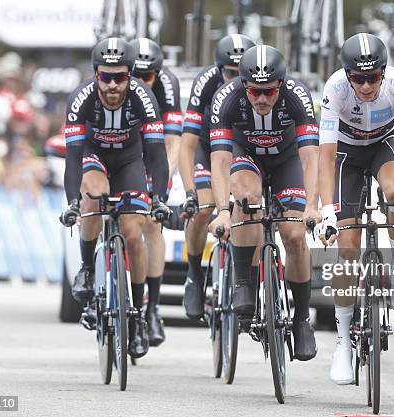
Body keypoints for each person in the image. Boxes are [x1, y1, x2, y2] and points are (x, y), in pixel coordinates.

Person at [315, 33, 394, 384]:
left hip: (384, 143)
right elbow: (324, 157)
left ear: (384, 71)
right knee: (347, 249)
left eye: (373, 77)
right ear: (347, 75)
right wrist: (326, 213)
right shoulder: (335, 89)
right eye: (358, 78)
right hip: (346, 156)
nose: (365, 85)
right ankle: (342, 344)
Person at [59, 37, 170, 359]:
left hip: (129, 161)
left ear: (130, 75)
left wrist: (159, 198)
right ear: (96, 75)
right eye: (105, 77)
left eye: (119, 77)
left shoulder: (144, 98)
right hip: (93, 157)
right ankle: (87, 268)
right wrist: (72, 203)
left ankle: (136, 313)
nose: (111, 85)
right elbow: (73, 157)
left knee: (135, 234)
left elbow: (157, 154)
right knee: (93, 195)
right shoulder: (80, 99)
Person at [207, 45, 320, 361]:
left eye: (269, 92)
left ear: (280, 85)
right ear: (244, 85)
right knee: (246, 195)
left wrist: (312, 205)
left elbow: (311, 158)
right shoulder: (227, 99)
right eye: (255, 91)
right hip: (247, 157)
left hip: (287, 160)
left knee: (295, 236)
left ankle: (300, 320)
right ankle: (244, 279)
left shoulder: (298, 95)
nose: (261, 99)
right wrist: (223, 212)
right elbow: (219, 161)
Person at [178, 34, 255, 320]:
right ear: (218, 69)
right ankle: (194, 274)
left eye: (240, 73)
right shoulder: (207, 82)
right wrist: (189, 192)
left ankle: (249, 280)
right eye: (229, 73)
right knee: (203, 207)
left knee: (251, 206)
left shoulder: (257, 85)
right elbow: (187, 143)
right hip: (207, 145)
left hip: (242, 148)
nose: (234, 78)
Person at [128, 37, 183, 347]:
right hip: (120, 147)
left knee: (151, 223)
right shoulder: (116, 81)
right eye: (136, 75)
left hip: (153, 151)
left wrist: (161, 184)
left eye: (148, 76)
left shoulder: (168, 84)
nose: (141, 82)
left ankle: (152, 308)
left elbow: (172, 142)